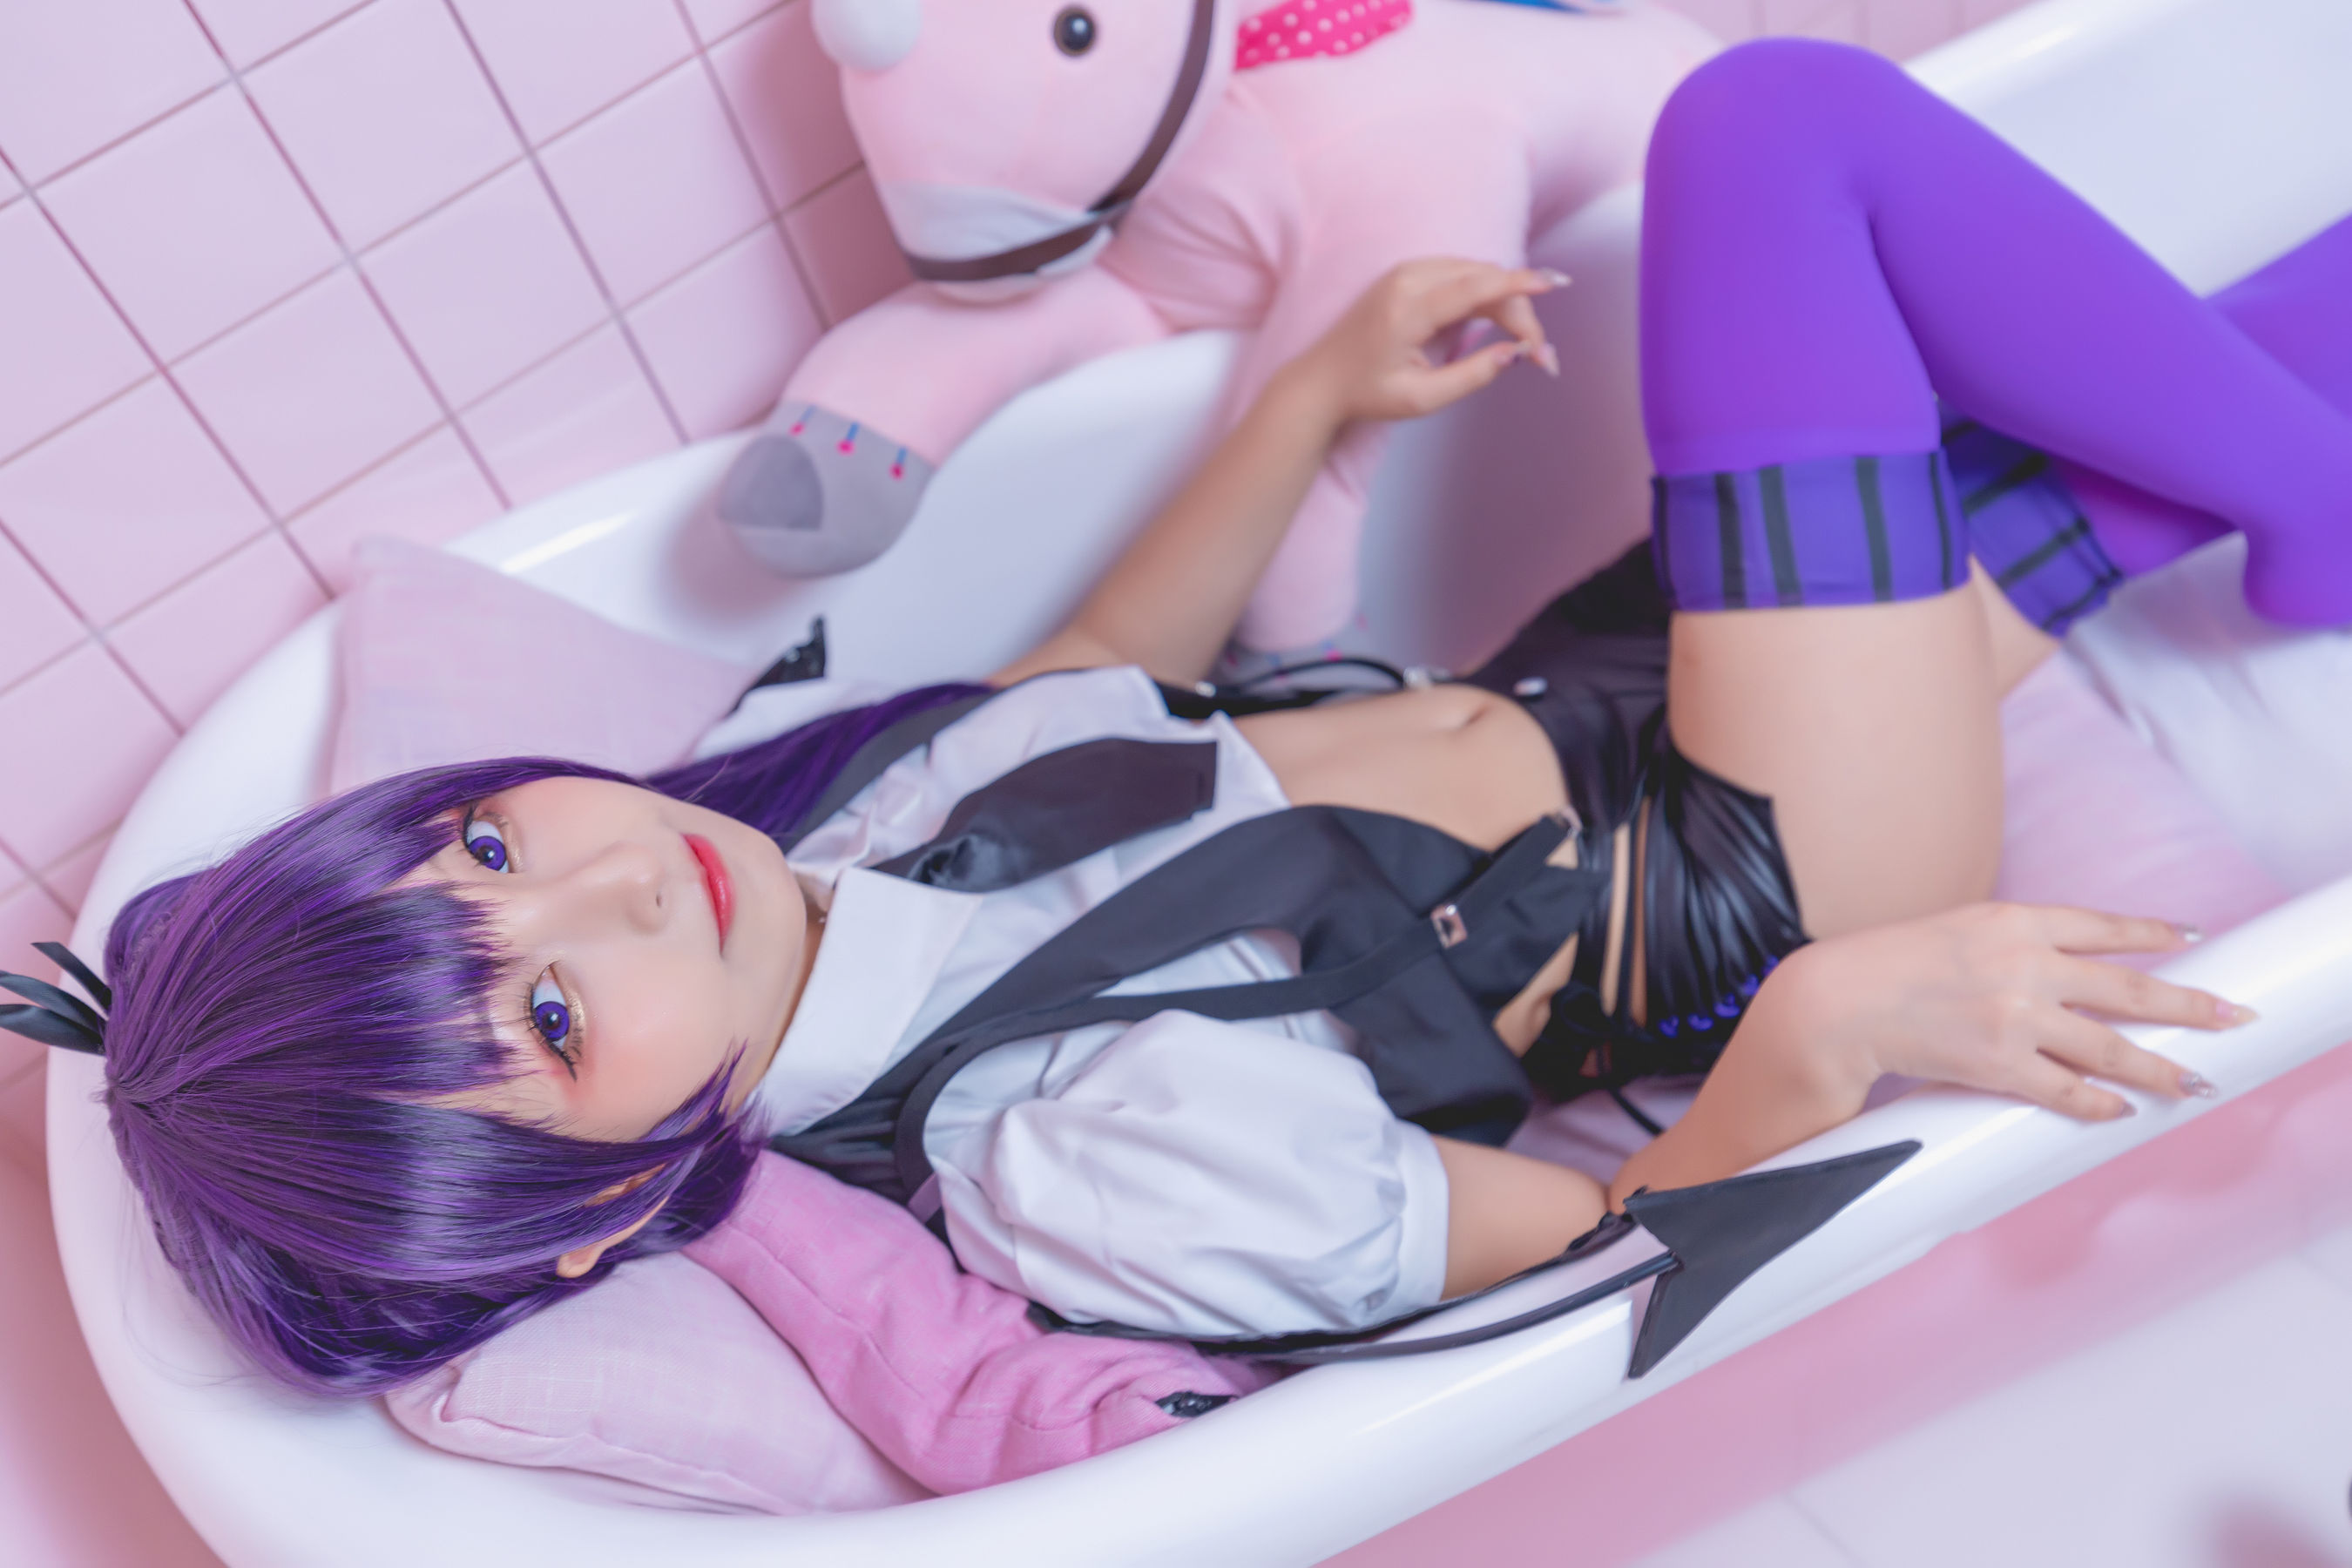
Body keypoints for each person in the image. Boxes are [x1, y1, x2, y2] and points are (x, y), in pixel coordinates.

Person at [4, 38, 2326, 1398]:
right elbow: (1597, 1256)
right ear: (588, 1214)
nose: (608, 880)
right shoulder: (1075, 1163)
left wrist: (1310, 405)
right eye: (545, 1011)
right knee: (1773, 134)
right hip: (1758, 868)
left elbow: (1098, 681)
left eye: (489, 848)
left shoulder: (820, 856)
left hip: (1585, 690)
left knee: (2195, 374)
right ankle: (2316, 517)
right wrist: (1824, 1032)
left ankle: (2295, 474)